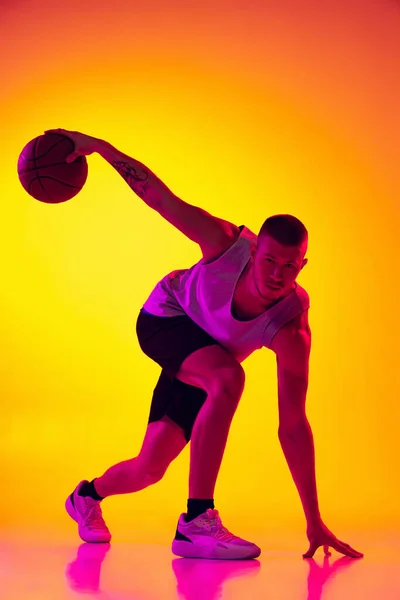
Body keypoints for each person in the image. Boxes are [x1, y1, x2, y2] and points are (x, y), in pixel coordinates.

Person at [44, 128, 364, 561]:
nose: (276, 275)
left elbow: (293, 426)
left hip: (206, 360)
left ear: (302, 265)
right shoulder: (224, 243)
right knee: (229, 376)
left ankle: (86, 496)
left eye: (289, 267)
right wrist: (101, 149)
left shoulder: (291, 328)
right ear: (254, 253)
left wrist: (314, 518)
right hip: (166, 319)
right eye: (268, 261)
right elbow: (160, 198)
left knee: (150, 467)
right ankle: (197, 520)